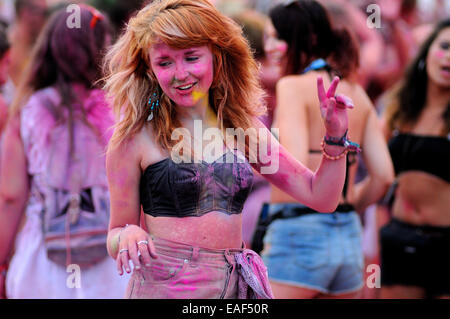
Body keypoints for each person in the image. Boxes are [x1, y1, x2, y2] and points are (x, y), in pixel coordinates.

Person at [103, 0, 357, 299]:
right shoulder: (133, 138)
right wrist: (127, 235)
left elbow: (321, 196)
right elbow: (115, 231)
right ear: (149, 68)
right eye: (165, 62)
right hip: (168, 288)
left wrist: (335, 136)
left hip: (235, 288)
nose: (180, 74)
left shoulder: (243, 130)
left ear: (217, 57)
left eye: (191, 57)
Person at [260, 0, 394, 298]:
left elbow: (293, 164)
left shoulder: (292, 86)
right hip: (347, 237)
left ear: (305, 40)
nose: (268, 46)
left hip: (298, 234)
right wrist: (344, 206)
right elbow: (384, 176)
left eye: (276, 37)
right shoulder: (356, 91)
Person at [0, 6, 128, 299]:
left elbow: (10, 197)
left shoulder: (28, 111)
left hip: (43, 260)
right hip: (110, 261)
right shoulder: (121, 109)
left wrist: (1, 262)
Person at [380, 18, 450, 299]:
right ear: (426, 53)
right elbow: (373, 166)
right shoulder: (400, 109)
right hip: (399, 238)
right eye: (444, 46)